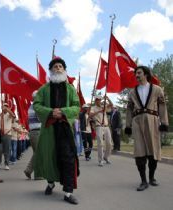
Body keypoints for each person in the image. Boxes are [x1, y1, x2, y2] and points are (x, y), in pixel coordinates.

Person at [33, 57, 80, 205]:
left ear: (64, 70)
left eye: (60, 66)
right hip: (49, 130)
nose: (58, 68)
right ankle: (51, 183)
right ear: (51, 70)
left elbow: (76, 106)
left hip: (65, 130)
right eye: (55, 66)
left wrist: (63, 112)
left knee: (67, 158)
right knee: (50, 157)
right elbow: (37, 105)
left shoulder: (71, 89)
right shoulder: (44, 89)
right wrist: (50, 112)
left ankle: (67, 192)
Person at [125, 66, 169, 191]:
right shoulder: (132, 93)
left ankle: (152, 177)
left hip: (152, 121)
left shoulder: (157, 89)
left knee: (153, 151)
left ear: (146, 74)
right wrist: (128, 125)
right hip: (137, 122)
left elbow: (162, 106)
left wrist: (164, 122)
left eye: (139, 73)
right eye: (136, 73)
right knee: (139, 152)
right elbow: (129, 110)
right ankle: (143, 181)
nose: (137, 75)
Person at [90, 95, 113, 167]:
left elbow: (111, 105)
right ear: (95, 100)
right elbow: (90, 115)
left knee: (109, 143)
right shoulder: (93, 108)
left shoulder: (104, 107)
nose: (98, 101)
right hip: (99, 126)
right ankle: (100, 160)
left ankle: (106, 157)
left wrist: (108, 98)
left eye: (100, 100)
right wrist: (99, 111)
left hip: (106, 126)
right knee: (100, 143)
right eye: (97, 100)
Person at [24, 91, 42, 180]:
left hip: (32, 132)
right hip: (37, 132)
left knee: (36, 153)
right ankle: (36, 174)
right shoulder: (36, 107)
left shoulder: (31, 107)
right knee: (39, 153)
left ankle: (29, 170)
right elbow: (40, 119)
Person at [0, 103, 15, 170]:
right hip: (0, 134)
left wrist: (7, 110)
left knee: (6, 150)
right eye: (4, 106)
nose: (5, 107)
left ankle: (6, 164)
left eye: (7, 106)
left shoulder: (9, 115)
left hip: (7, 134)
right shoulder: (0, 115)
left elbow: (13, 115)